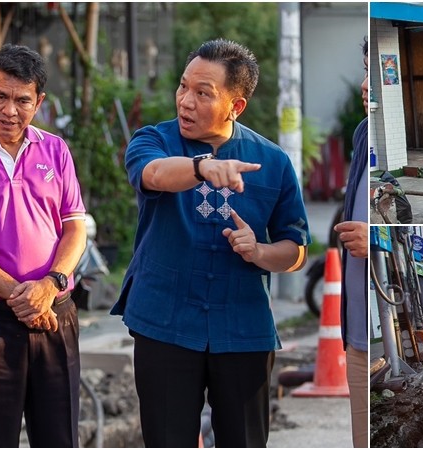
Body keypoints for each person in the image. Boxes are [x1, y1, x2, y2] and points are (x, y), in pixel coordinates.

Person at [110, 39, 310, 448]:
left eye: (203, 93)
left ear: (236, 106)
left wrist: (259, 252)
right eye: (183, 87)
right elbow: (154, 175)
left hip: (243, 328)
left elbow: (296, 249)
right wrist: (203, 167)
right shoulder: (154, 140)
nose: (185, 101)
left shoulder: (271, 161)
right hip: (165, 323)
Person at [0, 44, 87, 447]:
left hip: (55, 317)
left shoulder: (55, 150)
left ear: (38, 102)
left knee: (59, 437)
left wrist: (50, 285)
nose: (9, 111)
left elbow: (75, 228)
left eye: (22, 100)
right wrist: (22, 298)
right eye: (0, 97)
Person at [332, 37, 369, 449]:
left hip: (374, 321)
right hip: (356, 329)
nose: (364, 84)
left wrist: (372, 234)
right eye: (364, 71)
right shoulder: (362, 133)